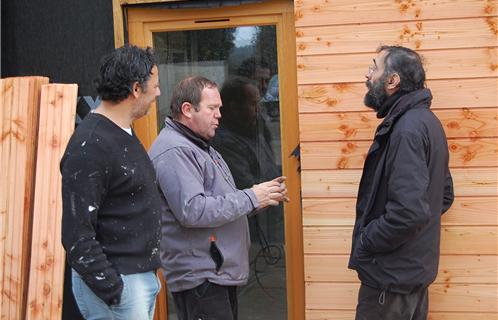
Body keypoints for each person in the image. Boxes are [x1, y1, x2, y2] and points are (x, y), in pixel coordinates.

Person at [148, 76, 288, 320]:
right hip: (201, 278)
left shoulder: (199, 146)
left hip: (213, 275)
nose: (219, 115)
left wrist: (260, 197)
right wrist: (251, 197)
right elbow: (193, 210)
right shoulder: (175, 151)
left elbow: (219, 203)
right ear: (187, 110)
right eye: (212, 108)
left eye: (220, 108)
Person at [348, 45, 454, 320]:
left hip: (391, 281)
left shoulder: (406, 129)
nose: (367, 75)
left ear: (392, 80)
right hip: (410, 277)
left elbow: (409, 212)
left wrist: (367, 239)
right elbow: (443, 196)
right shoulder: (427, 122)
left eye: (374, 68)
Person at [60, 45, 163, 320]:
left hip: (135, 281)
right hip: (119, 287)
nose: (158, 93)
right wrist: (113, 289)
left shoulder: (121, 133)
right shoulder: (90, 145)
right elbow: (76, 234)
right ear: (136, 89)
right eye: (155, 85)